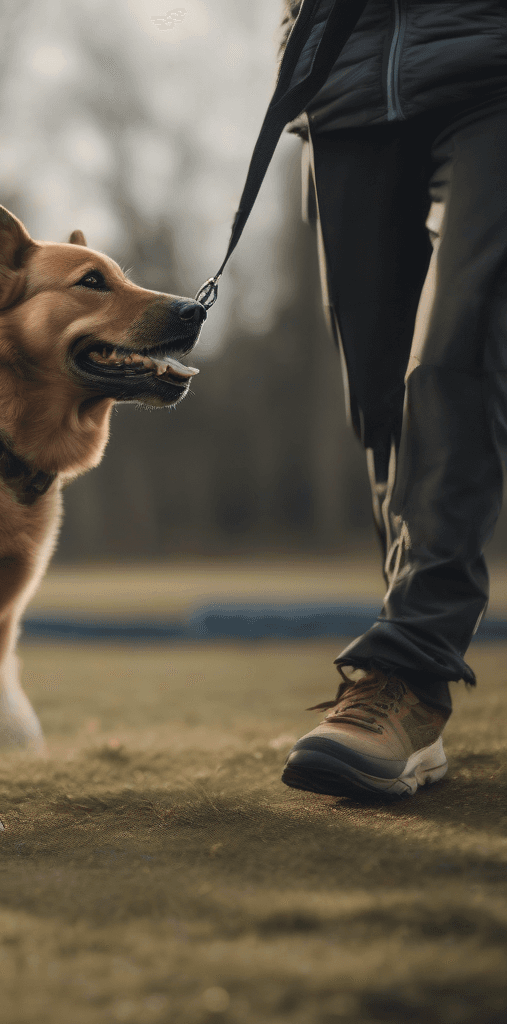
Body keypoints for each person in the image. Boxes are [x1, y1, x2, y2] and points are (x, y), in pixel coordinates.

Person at [276, 0, 507, 799]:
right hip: (344, 67)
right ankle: (409, 703)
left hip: (492, 63)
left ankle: (406, 669)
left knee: (456, 350)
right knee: (380, 396)